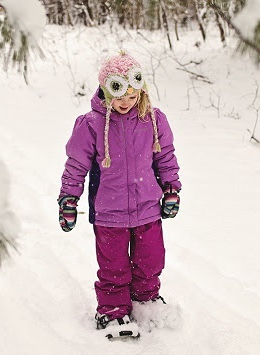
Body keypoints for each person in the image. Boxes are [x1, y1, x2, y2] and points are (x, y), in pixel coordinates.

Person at [57, 52, 181, 339]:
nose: (126, 101)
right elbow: (76, 165)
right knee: (114, 267)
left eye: (132, 94)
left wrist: (171, 188)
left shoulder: (152, 119)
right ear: (105, 90)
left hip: (148, 208)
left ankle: (145, 300)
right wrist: (68, 199)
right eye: (119, 94)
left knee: (150, 261)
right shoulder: (90, 124)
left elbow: (165, 158)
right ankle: (112, 311)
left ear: (141, 90)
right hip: (109, 212)